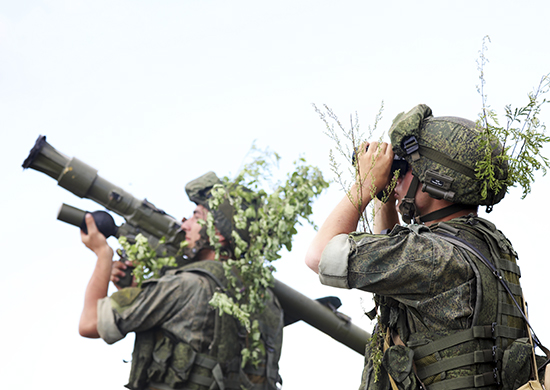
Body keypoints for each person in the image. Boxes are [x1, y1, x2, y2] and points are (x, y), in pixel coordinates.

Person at [305, 104, 547, 390]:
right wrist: (388, 193)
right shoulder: (490, 244)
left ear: (435, 182)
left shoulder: (431, 255)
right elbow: (389, 255)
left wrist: (365, 184)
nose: (397, 177)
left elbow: (320, 255)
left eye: (405, 169)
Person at [79, 171, 284, 390]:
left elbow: (90, 323)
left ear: (219, 234)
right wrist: (133, 291)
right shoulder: (269, 303)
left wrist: (103, 255)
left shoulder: (186, 286)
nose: (185, 225)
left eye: (196, 217)